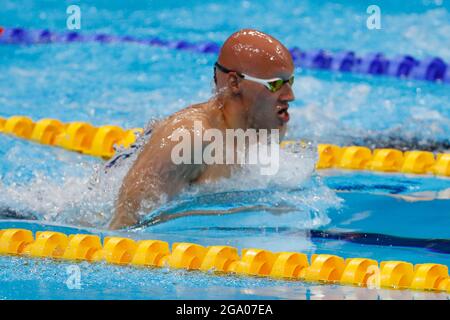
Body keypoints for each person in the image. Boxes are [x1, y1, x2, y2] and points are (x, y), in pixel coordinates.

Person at [108, 29, 295, 229]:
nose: (289, 95)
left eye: (289, 82)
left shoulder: (267, 125)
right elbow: (123, 228)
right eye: (275, 85)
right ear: (235, 82)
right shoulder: (190, 139)